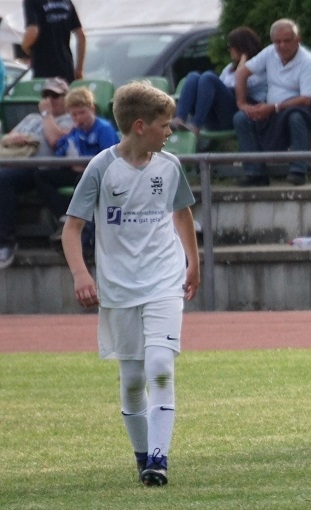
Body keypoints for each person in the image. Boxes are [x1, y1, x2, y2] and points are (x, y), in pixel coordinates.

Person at [62, 80, 200, 487]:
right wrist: (81, 274)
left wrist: (193, 262)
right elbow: (72, 229)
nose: (169, 131)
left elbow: (182, 215)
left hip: (164, 280)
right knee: (134, 378)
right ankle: (143, 455)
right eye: (164, 124)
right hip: (119, 287)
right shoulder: (101, 168)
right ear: (140, 126)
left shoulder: (169, 166)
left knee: (160, 366)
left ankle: (159, 459)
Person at [233, 18, 311, 187]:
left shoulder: (308, 61)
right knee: (241, 118)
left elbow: (306, 99)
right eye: (277, 42)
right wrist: (242, 104)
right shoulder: (269, 52)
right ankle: (255, 173)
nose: (282, 46)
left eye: (287, 41)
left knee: (296, 117)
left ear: (298, 40)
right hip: (273, 109)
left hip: (307, 109)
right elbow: (241, 73)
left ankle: (298, 170)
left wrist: (273, 107)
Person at [0, 77, 75, 269]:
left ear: (66, 98)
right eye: (46, 95)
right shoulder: (31, 118)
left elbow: (55, 141)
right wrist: (15, 139)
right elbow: (5, 139)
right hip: (14, 161)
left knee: (3, 180)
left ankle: (6, 243)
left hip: (40, 168)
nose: (50, 99)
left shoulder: (69, 119)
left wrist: (46, 114)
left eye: (55, 96)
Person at [35, 85, 118, 244]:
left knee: (83, 179)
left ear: (92, 109)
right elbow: (61, 151)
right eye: (74, 114)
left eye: (82, 113)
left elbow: (109, 161)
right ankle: (64, 217)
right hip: (77, 171)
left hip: (100, 175)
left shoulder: (104, 129)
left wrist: (85, 166)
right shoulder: (75, 130)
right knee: (41, 176)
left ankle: (84, 232)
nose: (79, 118)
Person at [172, 26, 267, 136]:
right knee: (193, 76)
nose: (229, 50)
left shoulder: (259, 69)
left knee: (208, 77)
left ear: (242, 48)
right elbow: (219, 87)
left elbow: (239, 86)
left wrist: (243, 65)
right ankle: (179, 119)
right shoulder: (230, 68)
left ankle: (196, 125)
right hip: (216, 116)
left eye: (231, 46)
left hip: (238, 115)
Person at [21, 0, 86, 83]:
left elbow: (32, 32)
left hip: (44, 70)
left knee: (46, 92)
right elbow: (81, 36)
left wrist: (24, 47)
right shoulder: (66, 2)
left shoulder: (32, 2)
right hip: (66, 69)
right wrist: (79, 69)